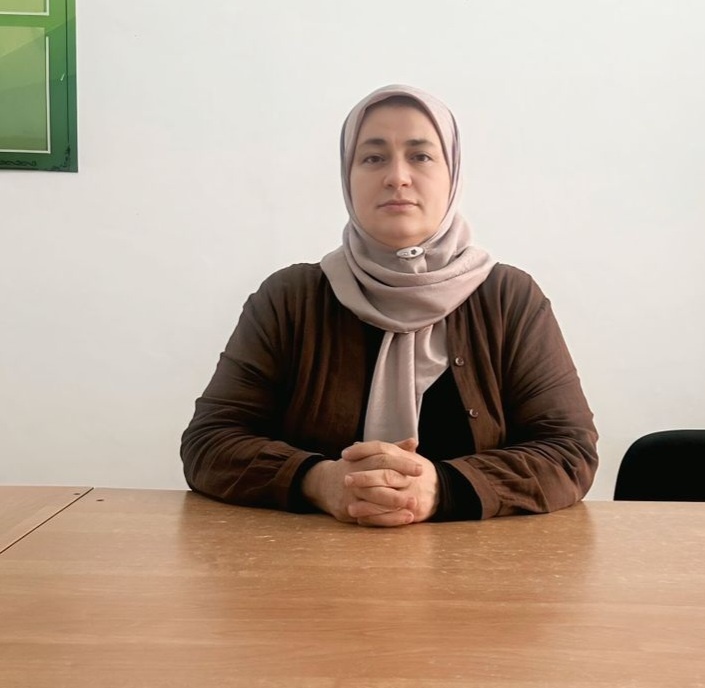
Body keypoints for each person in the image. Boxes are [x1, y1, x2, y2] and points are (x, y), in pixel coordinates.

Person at [181, 84, 598, 526]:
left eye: (420, 156)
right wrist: (320, 481)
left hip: (479, 565)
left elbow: (569, 452)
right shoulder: (289, 298)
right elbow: (209, 443)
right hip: (312, 563)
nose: (397, 177)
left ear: (453, 173)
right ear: (347, 176)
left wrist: (441, 488)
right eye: (373, 158)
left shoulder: (509, 298)